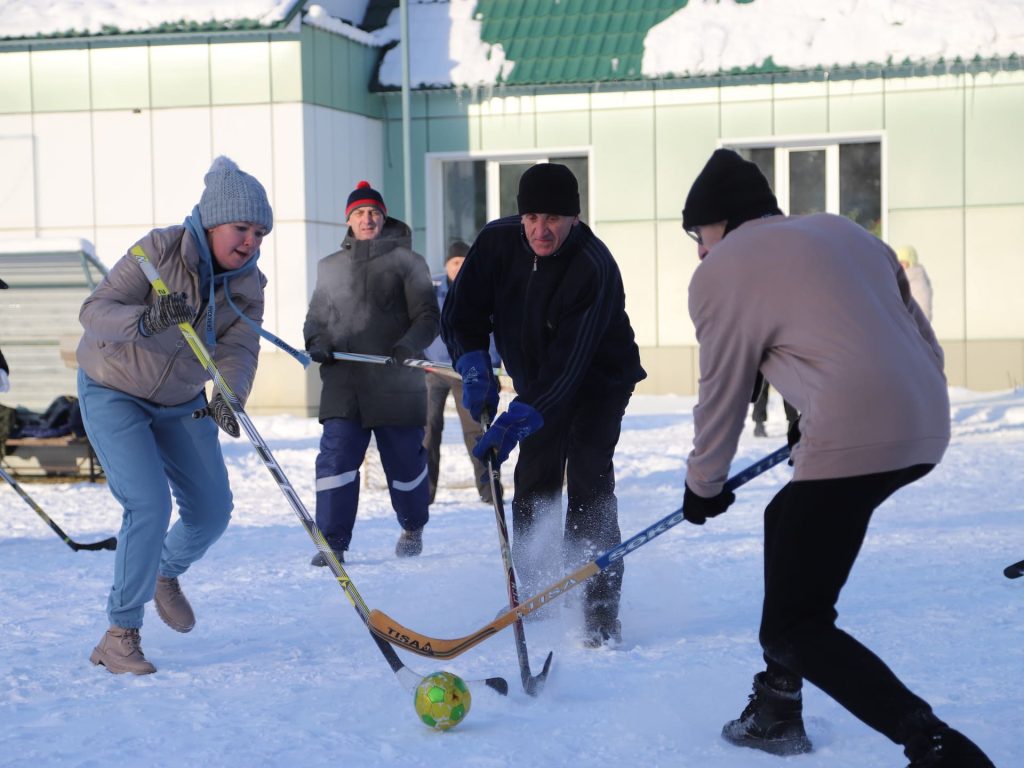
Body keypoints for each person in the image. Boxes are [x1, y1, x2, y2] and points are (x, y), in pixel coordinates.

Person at [679, 148, 993, 767]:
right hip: (927, 419)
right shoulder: (842, 231)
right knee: (788, 521)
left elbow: (724, 389)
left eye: (698, 233)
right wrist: (813, 419)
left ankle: (936, 748)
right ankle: (776, 708)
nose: (698, 250)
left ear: (723, 222)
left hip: (855, 433)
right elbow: (908, 337)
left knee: (795, 628)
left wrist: (704, 484)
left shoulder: (724, 270)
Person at [77, 156, 272, 675]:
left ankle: (164, 570)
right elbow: (94, 311)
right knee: (147, 504)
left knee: (212, 509)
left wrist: (230, 392)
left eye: (259, 232)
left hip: (181, 398)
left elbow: (240, 348)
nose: (250, 240)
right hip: (113, 387)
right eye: (241, 228)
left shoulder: (249, 285)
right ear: (211, 223)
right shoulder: (156, 251)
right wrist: (145, 319)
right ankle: (120, 634)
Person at [442, 163, 646, 648]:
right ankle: (533, 596)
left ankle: (599, 614)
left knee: (588, 483)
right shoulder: (496, 243)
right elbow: (460, 313)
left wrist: (518, 418)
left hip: (599, 383)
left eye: (553, 218)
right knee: (533, 477)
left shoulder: (592, 266)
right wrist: (472, 363)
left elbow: (570, 366)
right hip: (536, 377)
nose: (540, 229)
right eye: (531, 216)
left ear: (574, 218)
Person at [303, 180, 439, 565]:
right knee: (335, 460)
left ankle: (413, 525)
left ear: (384, 217)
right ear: (349, 220)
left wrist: (408, 345)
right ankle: (332, 543)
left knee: (405, 465)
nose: (368, 218)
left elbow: (429, 317)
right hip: (345, 383)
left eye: (374, 212)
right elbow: (315, 318)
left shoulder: (407, 263)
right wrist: (317, 341)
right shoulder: (330, 267)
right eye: (360, 213)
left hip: (396, 380)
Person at [422, 240, 502, 505]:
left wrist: (491, 367)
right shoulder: (431, 289)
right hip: (433, 369)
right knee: (428, 429)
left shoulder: (483, 288)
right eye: (455, 263)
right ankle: (424, 492)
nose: (459, 267)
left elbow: (493, 332)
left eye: (464, 262)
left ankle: (489, 489)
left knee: (476, 429)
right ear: (446, 265)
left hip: (468, 370)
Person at [896, 244, 933, 321]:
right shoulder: (904, 279)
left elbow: (923, 308)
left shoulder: (917, 282)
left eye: (902, 262)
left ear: (910, 262)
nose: (899, 265)